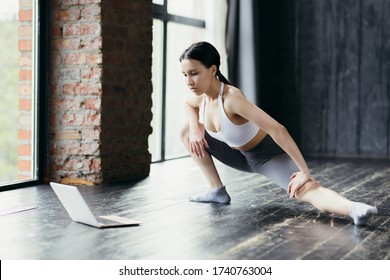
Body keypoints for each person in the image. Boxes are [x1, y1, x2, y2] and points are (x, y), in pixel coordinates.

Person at [179, 41, 378, 226]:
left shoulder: (232, 99)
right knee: (187, 131)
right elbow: (188, 104)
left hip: (266, 157)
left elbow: (278, 130)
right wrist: (196, 128)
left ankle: (353, 208)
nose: (189, 81)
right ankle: (217, 191)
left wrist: (304, 172)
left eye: (194, 73)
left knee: (306, 190)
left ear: (212, 69)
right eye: (185, 75)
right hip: (236, 155)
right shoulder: (202, 98)